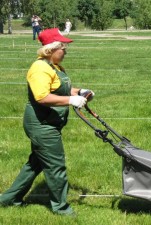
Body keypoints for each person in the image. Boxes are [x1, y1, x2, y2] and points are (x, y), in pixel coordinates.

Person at [0, 28, 94, 216]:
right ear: (51, 49)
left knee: (36, 163)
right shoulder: (40, 68)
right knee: (55, 165)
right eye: (62, 47)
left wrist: (80, 91)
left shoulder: (55, 67)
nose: (65, 51)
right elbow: (42, 97)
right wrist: (70, 100)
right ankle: (61, 207)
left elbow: (61, 88)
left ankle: (9, 198)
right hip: (41, 125)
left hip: (50, 123)